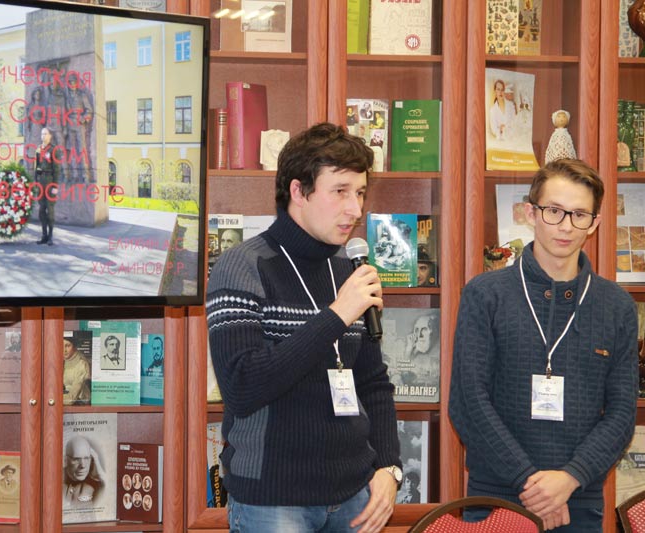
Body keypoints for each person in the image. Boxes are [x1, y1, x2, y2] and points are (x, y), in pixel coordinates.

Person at [206, 122, 402, 532]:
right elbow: (242, 386)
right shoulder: (243, 266)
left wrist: (389, 467)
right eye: (340, 191)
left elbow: (373, 382)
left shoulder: (348, 268)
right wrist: (336, 315)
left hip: (354, 494)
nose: (355, 209)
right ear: (298, 191)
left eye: (360, 192)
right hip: (273, 500)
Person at [449, 158, 638, 532]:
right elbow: (469, 404)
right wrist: (531, 483)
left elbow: (621, 415)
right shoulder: (485, 294)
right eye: (554, 211)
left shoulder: (616, 306)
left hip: (578, 499)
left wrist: (569, 478)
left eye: (579, 215)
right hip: (496, 497)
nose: (566, 226)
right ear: (530, 213)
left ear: (595, 224)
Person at [63, 435, 105, 506]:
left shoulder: (98, 487)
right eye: (76, 459)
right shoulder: (54, 481)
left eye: (86, 458)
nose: (83, 465)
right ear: (66, 460)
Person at [35, 126, 58, 246]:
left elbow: (57, 169)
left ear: (50, 136)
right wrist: (36, 182)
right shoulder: (38, 149)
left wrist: (55, 186)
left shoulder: (54, 150)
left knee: (50, 210)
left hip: (49, 181)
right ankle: (43, 235)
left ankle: (50, 236)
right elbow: (37, 167)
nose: (43, 136)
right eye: (42, 134)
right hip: (41, 182)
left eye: (45, 134)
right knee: (41, 210)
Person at [63, 336, 90, 405]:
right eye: (61, 346)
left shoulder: (82, 364)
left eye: (67, 346)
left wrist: (54, 398)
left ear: (74, 347)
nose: (64, 350)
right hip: (64, 398)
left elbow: (71, 399)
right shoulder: (62, 361)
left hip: (79, 402)